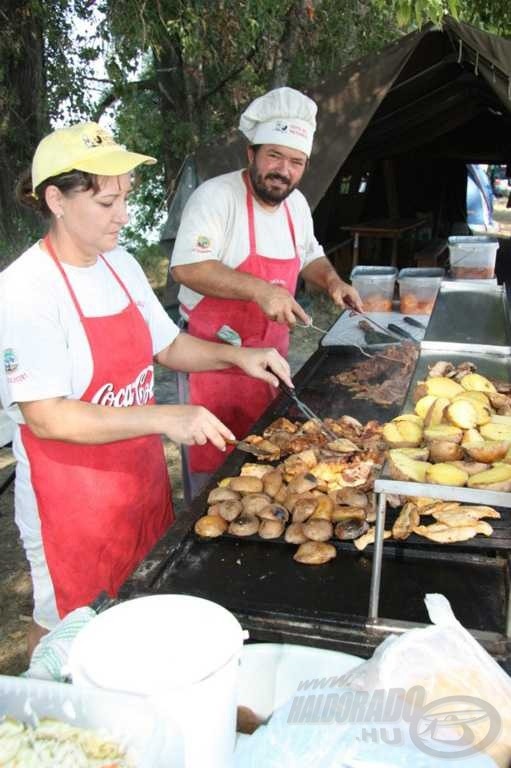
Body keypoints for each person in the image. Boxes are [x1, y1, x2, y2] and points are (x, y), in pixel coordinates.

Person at [0, 122, 292, 656]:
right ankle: (44, 700)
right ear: (56, 200)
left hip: (138, 481)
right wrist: (165, 417)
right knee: (70, 628)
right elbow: (46, 416)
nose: (124, 215)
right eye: (107, 201)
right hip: (70, 499)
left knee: (136, 610)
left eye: (126, 198)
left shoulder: (121, 264)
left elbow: (167, 347)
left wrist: (238, 357)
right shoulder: (25, 290)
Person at [170, 86, 362, 477]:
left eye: (295, 161)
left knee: (268, 463)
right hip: (211, 364)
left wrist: (332, 282)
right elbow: (187, 267)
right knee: (215, 475)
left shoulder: (295, 206)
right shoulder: (215, 198)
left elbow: (310, 255)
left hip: (271, 360)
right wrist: (260, 289)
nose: (284, 170)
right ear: (251, 153)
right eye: (274, 155)